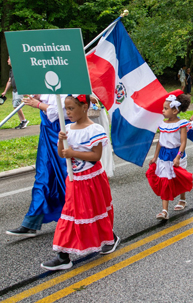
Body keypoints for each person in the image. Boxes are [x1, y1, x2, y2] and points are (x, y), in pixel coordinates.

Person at [41, 95, 119, 271]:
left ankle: (110, 238)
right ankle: (63, 256)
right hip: (74, 179)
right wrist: (61, 140)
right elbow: (62, 154)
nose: (67, 112)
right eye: (66, 109)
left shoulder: (94, 129)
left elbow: (95, 156)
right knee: (70, 214)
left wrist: (73, 153)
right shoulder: (67, 128)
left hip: (92, 179)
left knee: (95, 209)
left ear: (84, 107)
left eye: (71, 108)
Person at [6, 95, 69, 238]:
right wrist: (38, 97)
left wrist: (39, 105)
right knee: (43, 175)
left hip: (66, 131)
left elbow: (69, 111)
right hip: (48, 130)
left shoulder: (71, 79)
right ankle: (31, 222)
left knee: (69, 177)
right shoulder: (48, 78)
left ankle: (87, 219)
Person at [147, 90, 193, 220]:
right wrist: (155, 157)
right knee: (164, 179)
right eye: (163, 108)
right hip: (163, 155)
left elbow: (183, 143)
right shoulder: (162, 124)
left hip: (175, 154)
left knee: (179, 178)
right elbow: (160, 143)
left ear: (175, 111)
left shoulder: (181, 124)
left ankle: (182, 200)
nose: (163, 111)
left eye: (165, 108)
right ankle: (164, 210)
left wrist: (178, 156)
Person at [1, 57, 29, 129]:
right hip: (14, 90)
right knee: (15, 106)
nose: (7, 61)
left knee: (17, 105)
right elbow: (9, 81)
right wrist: (5, 91)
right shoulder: (11, 70)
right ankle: (22, 121)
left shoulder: (18, 69)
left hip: (19, 90)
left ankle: (24, 121)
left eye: (8, 59)